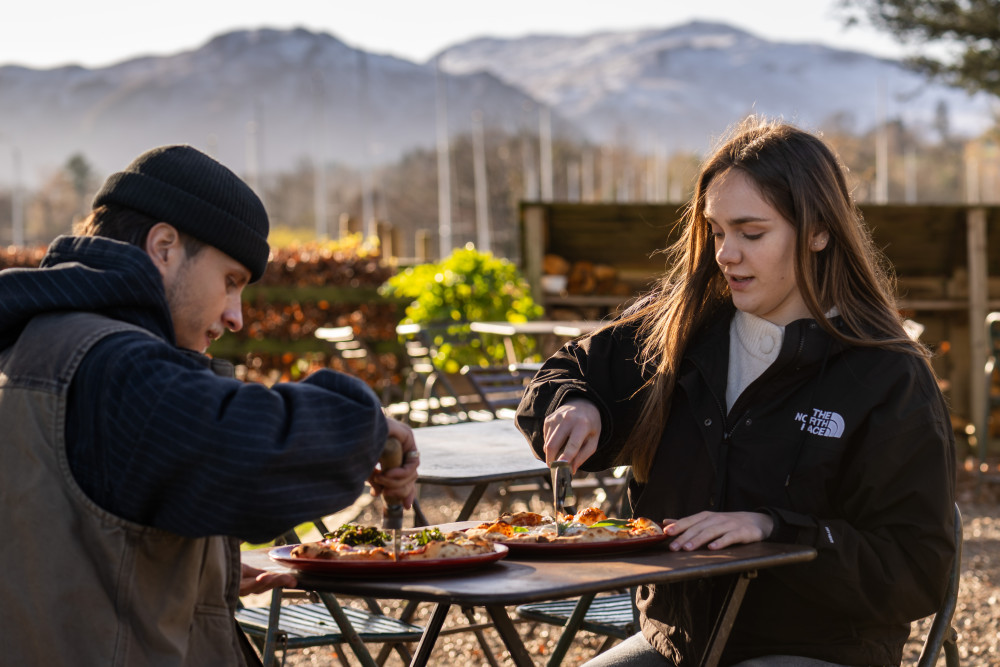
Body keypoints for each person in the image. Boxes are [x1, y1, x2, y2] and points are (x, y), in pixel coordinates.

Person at [515, 117, 956, 666]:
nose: (725, 254)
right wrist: (573, 404)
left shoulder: (885, 375)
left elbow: (917, 567)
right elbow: (564, 371)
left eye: (752, 233)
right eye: (717, 231)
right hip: (675, 646)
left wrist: (774, 528)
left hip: (818, 651)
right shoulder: (677, 334)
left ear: (819, 231)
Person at [0, 145, 419, 665]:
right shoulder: (114, 367)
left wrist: (196, 573)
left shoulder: (27, 344)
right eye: (231, 282)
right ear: (165, 246)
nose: (235, 316)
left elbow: (59, 542)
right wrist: (365, 422)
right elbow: (256, 450)